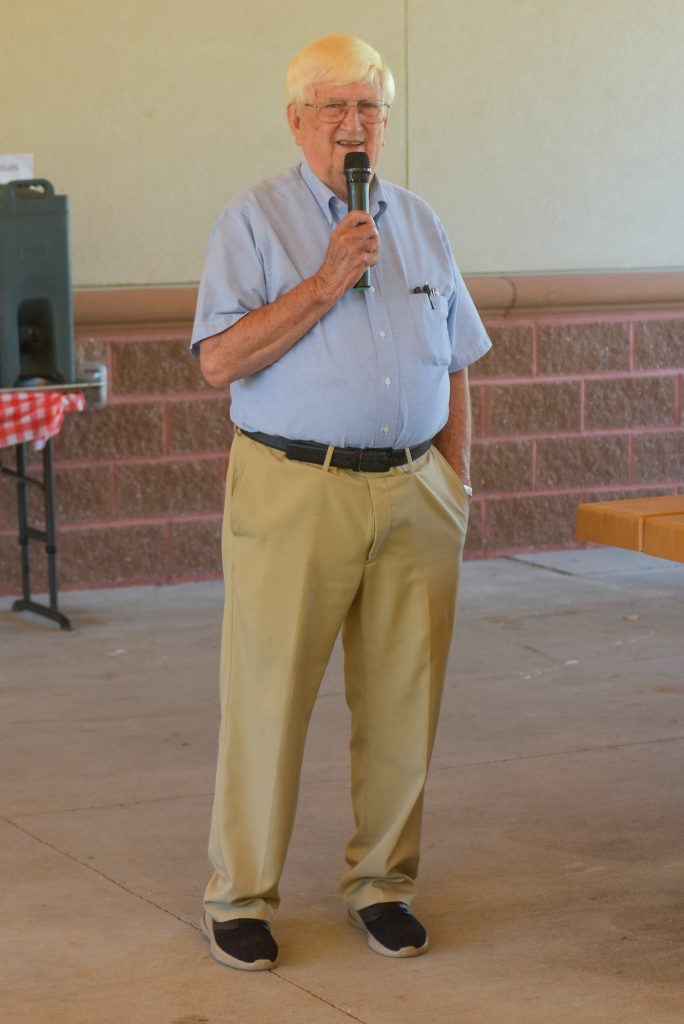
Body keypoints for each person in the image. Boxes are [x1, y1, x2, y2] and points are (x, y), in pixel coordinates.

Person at [191, 32, 491, 972]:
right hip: (297, 488)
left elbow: (457, 356)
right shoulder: (254, 219)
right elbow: (218, 361)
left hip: (416, 492)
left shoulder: (421, 220)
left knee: (405, 699)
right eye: (334, 106)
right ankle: (241, 897)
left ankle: (383, 885)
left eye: (369, 107)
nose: (353, 124)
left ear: (385, 122)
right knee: (268, 700)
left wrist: (453, 479)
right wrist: (326, 281)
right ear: (297, 120)